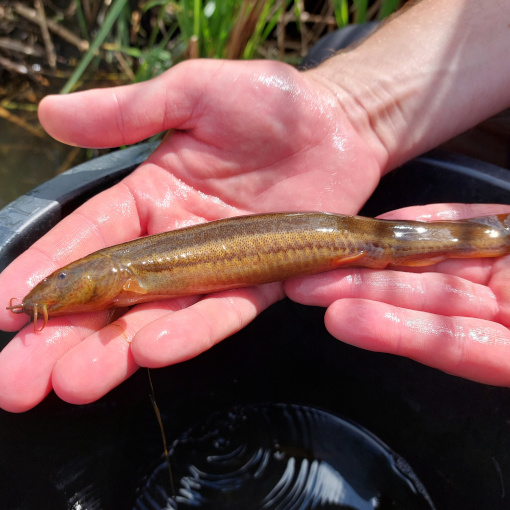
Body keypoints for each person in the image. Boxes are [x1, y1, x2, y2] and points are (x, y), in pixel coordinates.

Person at [0, 0, 509, 413]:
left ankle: (494, 234)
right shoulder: (122, 275)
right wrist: (354, 106)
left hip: (339, 235)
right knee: (337, 53)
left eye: (62, 284)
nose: (56, 290)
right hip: (332, 227)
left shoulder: (125, 276)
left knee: (383, 244)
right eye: (59, 286)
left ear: (114, 284)